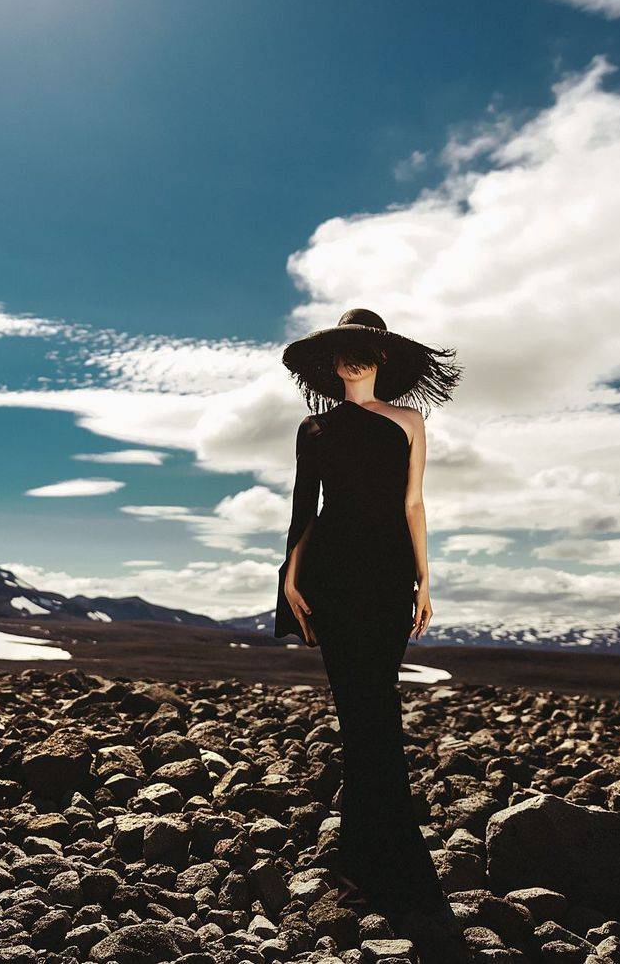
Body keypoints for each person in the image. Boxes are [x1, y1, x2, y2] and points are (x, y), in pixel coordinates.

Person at [274, 307, 467, 961]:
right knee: (358, 713)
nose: (353, 361)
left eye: (364, 351)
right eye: (344, 352)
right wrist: (289, 576)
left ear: (381, 359)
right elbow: (306, 506)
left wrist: (425, 578)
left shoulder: (409, 422)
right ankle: (368, 853)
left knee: (376, 706)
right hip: (329, 573)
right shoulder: (315, 427)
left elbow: (414, 504)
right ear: (332, 362)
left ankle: (376, 853)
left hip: (386, 575)